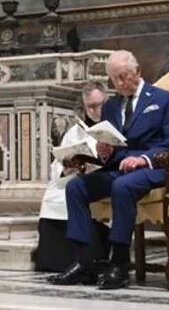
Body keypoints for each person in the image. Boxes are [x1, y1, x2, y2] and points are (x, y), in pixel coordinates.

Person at [49, 50, 169, 289]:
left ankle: (120, 262)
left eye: (124, 77)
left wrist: (143, 159)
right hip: (120, 167)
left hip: (157, 168)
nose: (120, 84)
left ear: (138, 72)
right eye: (115, 79)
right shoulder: (111, 106)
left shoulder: (163, 99)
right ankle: (84, 261)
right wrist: (104, 152)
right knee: (77, 186)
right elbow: (115, 146)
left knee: (122, 186)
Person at [35, 83, 109, 272]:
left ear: (107, 101)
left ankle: (87, 258)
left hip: (98, 180)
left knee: (76, 191)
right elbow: (57, 163)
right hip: (70, 178)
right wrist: (65, 167)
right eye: (90, 107)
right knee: (53, 196)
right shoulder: (75, 131)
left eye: (99, 104)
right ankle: (55, 261)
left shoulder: (115, 125)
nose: (95, 110)